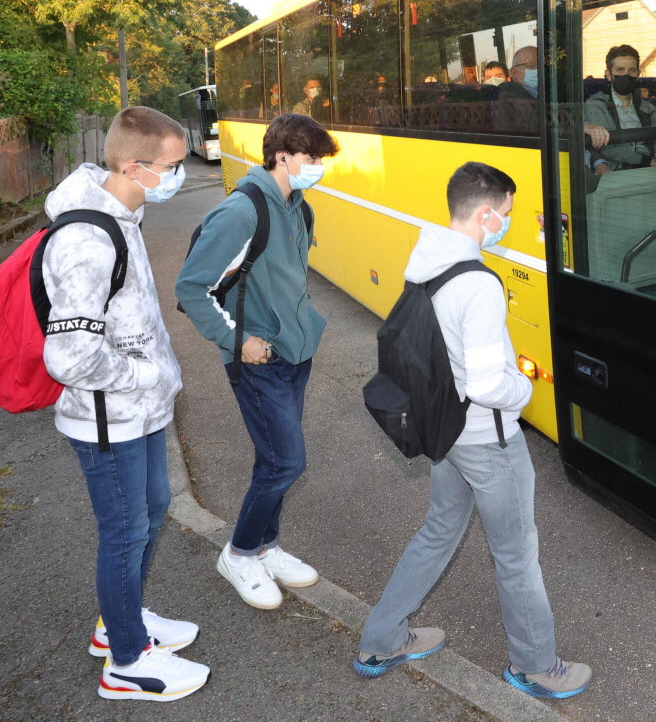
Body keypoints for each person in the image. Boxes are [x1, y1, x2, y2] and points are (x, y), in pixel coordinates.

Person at [355, 162, 592, 701]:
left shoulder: (427, 264)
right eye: (506, 214)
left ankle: (381, 638)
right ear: (486, 213)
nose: (508, 222)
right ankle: (533, 666)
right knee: (516, 554)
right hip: (488, 439)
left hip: (446, 430)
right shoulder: (478, 283)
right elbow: (488, 381)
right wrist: (524, 391)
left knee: (438, 531)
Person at [41, 106, 207, 701]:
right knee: (125, 530)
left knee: (151, 510)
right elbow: (70, 356)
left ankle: (120, 623)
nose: (180, 175)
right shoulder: (88, 238)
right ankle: (128, 664)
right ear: (134, 166)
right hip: (108, 417)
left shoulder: (124, 216)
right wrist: (141, 375)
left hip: (138, 410)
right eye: (173, 166)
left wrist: (150, 382)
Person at [175, 113, 339, 611]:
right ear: (283, 156)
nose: (318, 169)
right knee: (287, 461)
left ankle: (266, 548)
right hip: (257, 358)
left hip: (294, 352)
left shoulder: (296, 205)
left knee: (274, 460)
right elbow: (190, 287)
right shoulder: (242, 211)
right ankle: (241, 553)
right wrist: (238, 339)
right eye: (311, 159)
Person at [583, 44, 656, 176]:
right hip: (617, 172)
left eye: (631, 70)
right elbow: (607, 147)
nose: (626, 74)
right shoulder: (596, 106)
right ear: (609, 75)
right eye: (620, 70)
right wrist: (647, 160)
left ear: (638, 74)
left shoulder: (649, 109)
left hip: (650, 171)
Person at [493, 46, 539, 133]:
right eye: (531, 66)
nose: (539, 69)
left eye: (541, 65)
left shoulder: (547, 91)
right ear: (514, 72)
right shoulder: (507, 93)